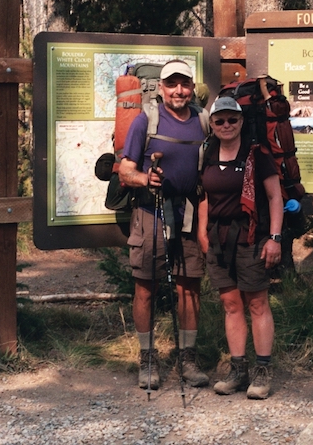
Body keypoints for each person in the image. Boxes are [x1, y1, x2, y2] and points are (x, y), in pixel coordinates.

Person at [118, 59, 210, 391]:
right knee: (146, 287)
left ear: (191, 86)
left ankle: (187, 358)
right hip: (150, 212)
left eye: (184, 84)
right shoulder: (146, 120)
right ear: (161, 88)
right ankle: (147, 359)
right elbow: (125, 170)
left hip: (187, 214)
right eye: (172, 84)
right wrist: (146, 178)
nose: (179, 90)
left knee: (190, 287)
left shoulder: (202, 121)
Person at [197, 96, 284, 400]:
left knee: (257, 303)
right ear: (213, 124)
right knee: (231, 305)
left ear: (241, 121)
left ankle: (262, 370)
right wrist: (201, 230)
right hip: (219, 240)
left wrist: (275, 237)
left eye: (232, 119)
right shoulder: (208, 153)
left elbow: (275, 197)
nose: (226, 125)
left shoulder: (256, 155)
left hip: (252, 237)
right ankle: (238, 370)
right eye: (219, 120)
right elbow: (204, 196)